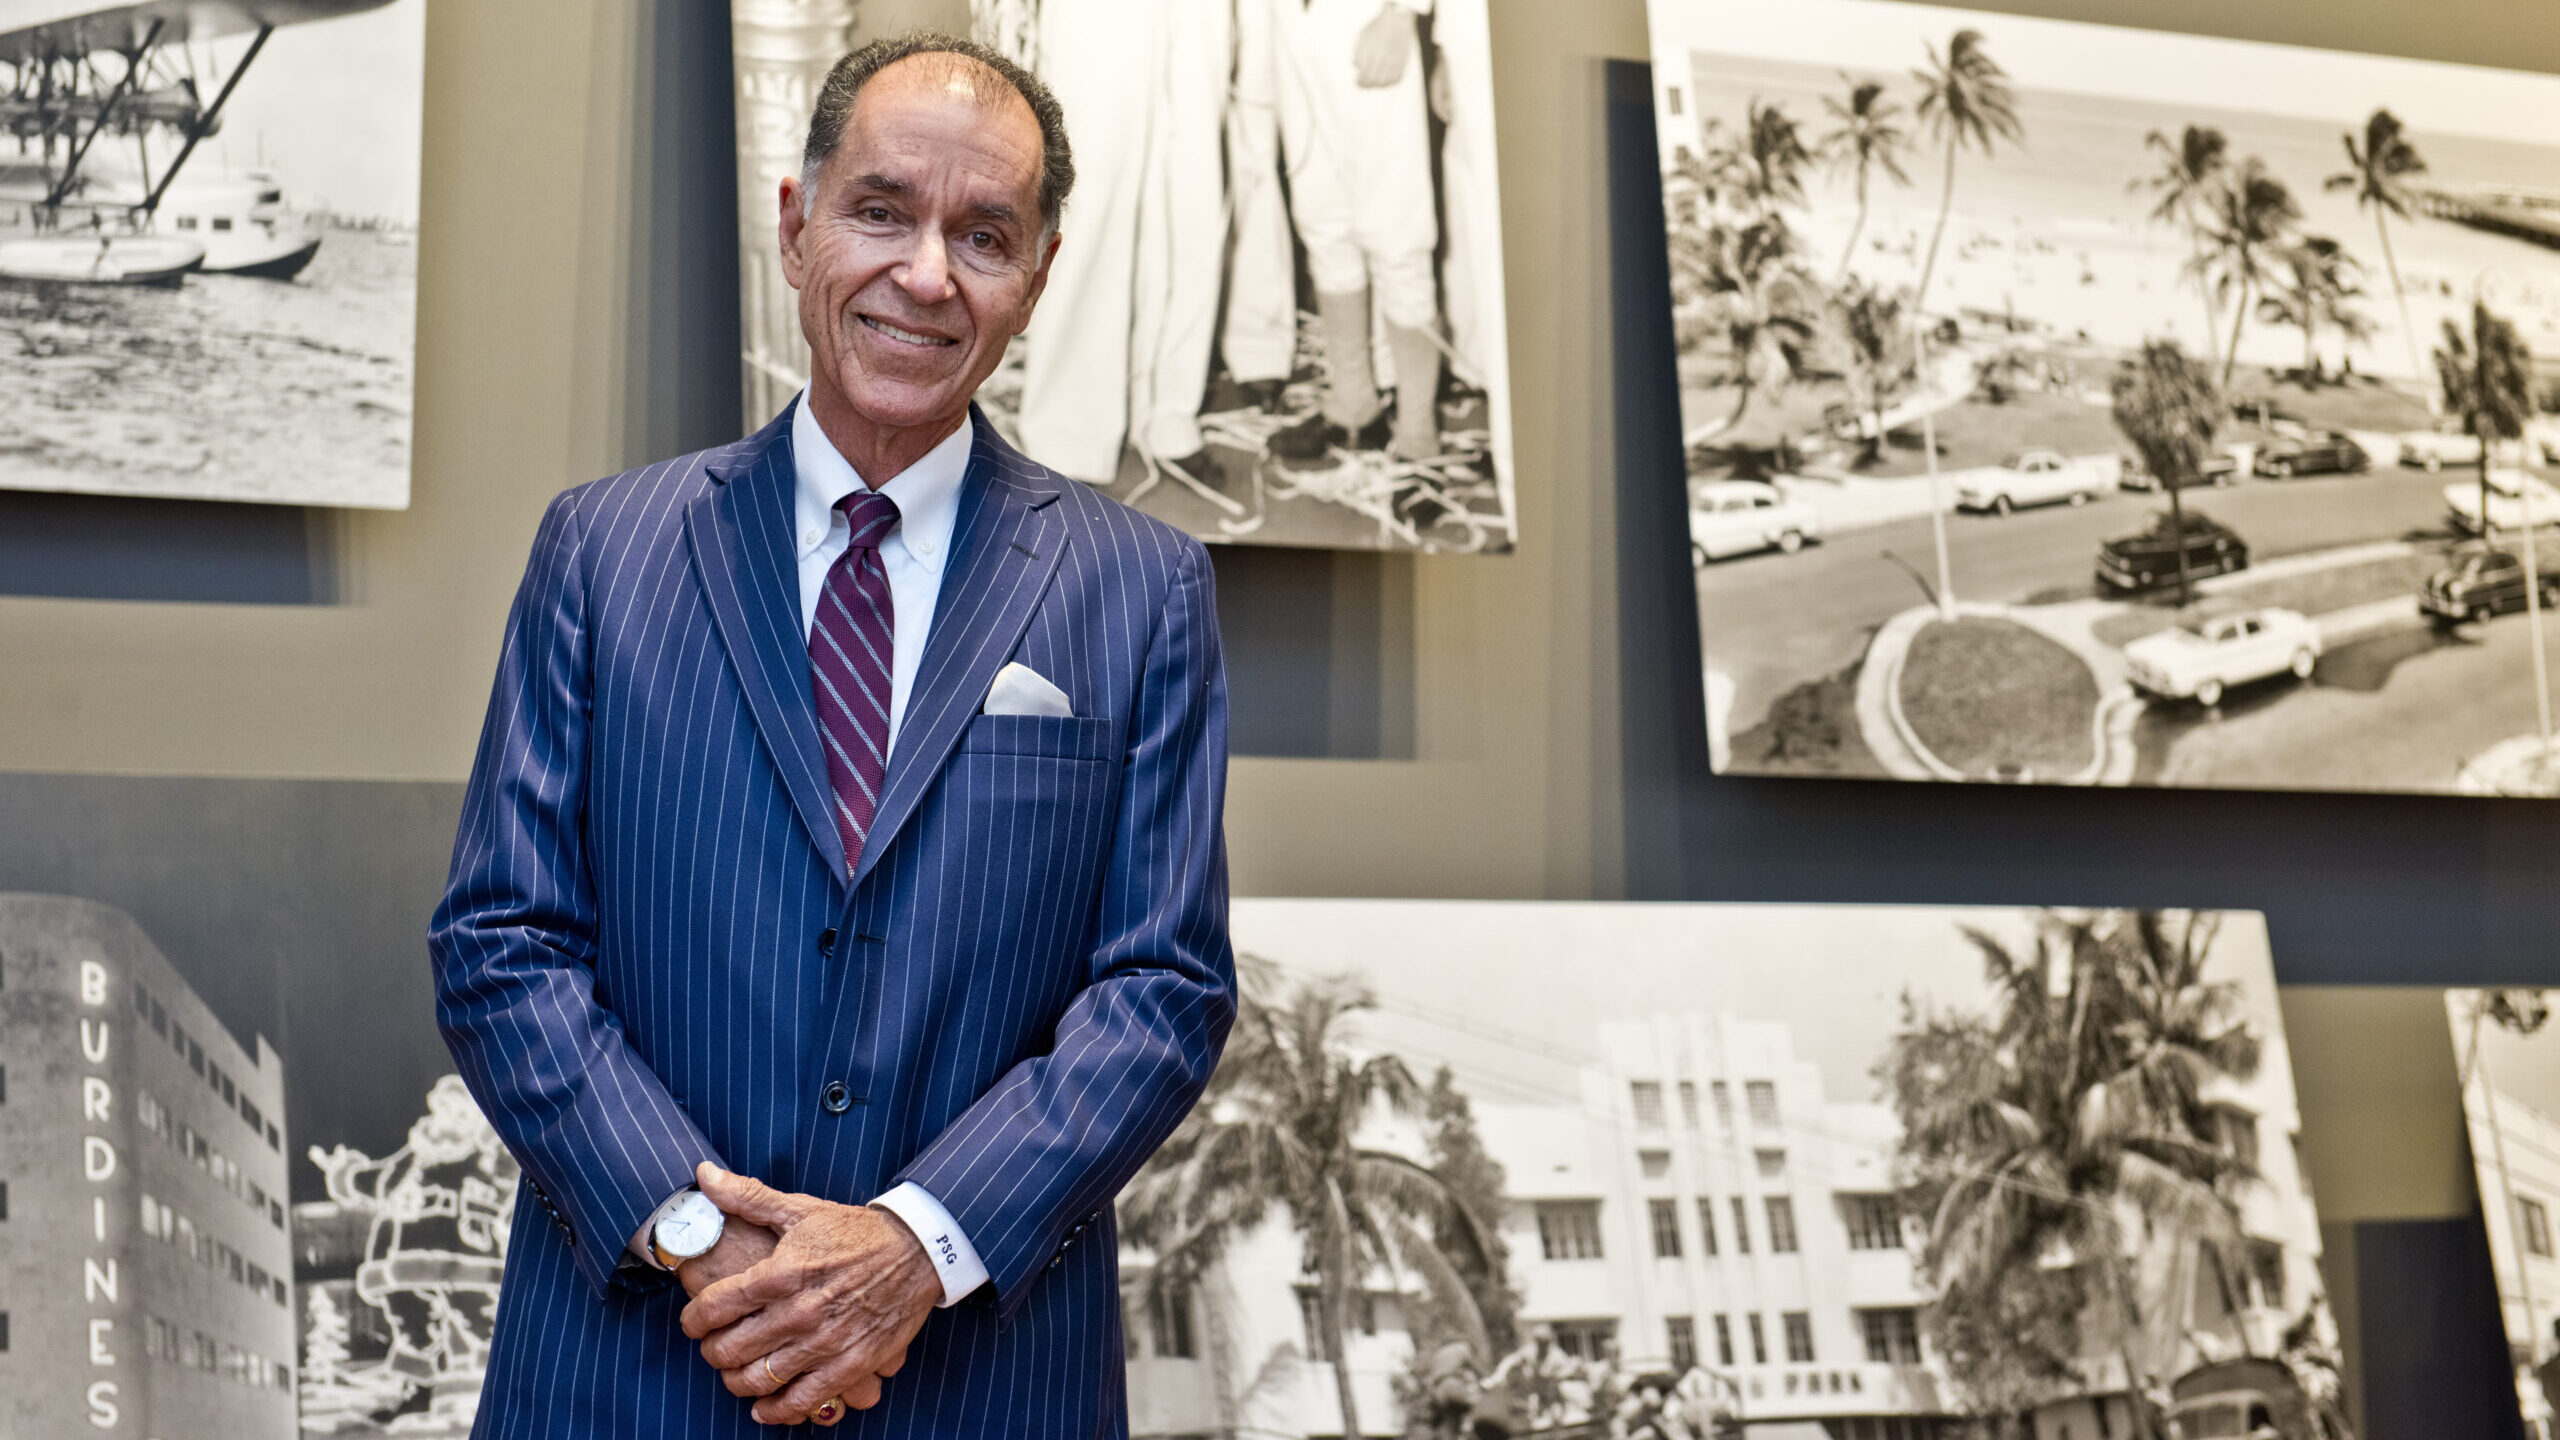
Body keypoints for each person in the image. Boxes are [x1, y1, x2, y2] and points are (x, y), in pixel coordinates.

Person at [430, 33, 1234, 1437]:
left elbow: (1161, 985)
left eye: (984, 234)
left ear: (1036, 280)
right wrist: (704, 1239)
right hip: (636, 1368)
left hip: (979, 1384)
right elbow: (501, 943)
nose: (927, 273)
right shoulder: (603, 551)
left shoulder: (1141, 591)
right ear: (797, 226)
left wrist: (917, 1246)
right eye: (882, 210)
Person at [1266, 0, 1446, 467]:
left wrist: (1402, 14)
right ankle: (1354, 405)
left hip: (1365, 18)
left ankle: (1418, 436)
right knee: (1324, 220)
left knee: (1398, 229)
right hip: (1294, 25)